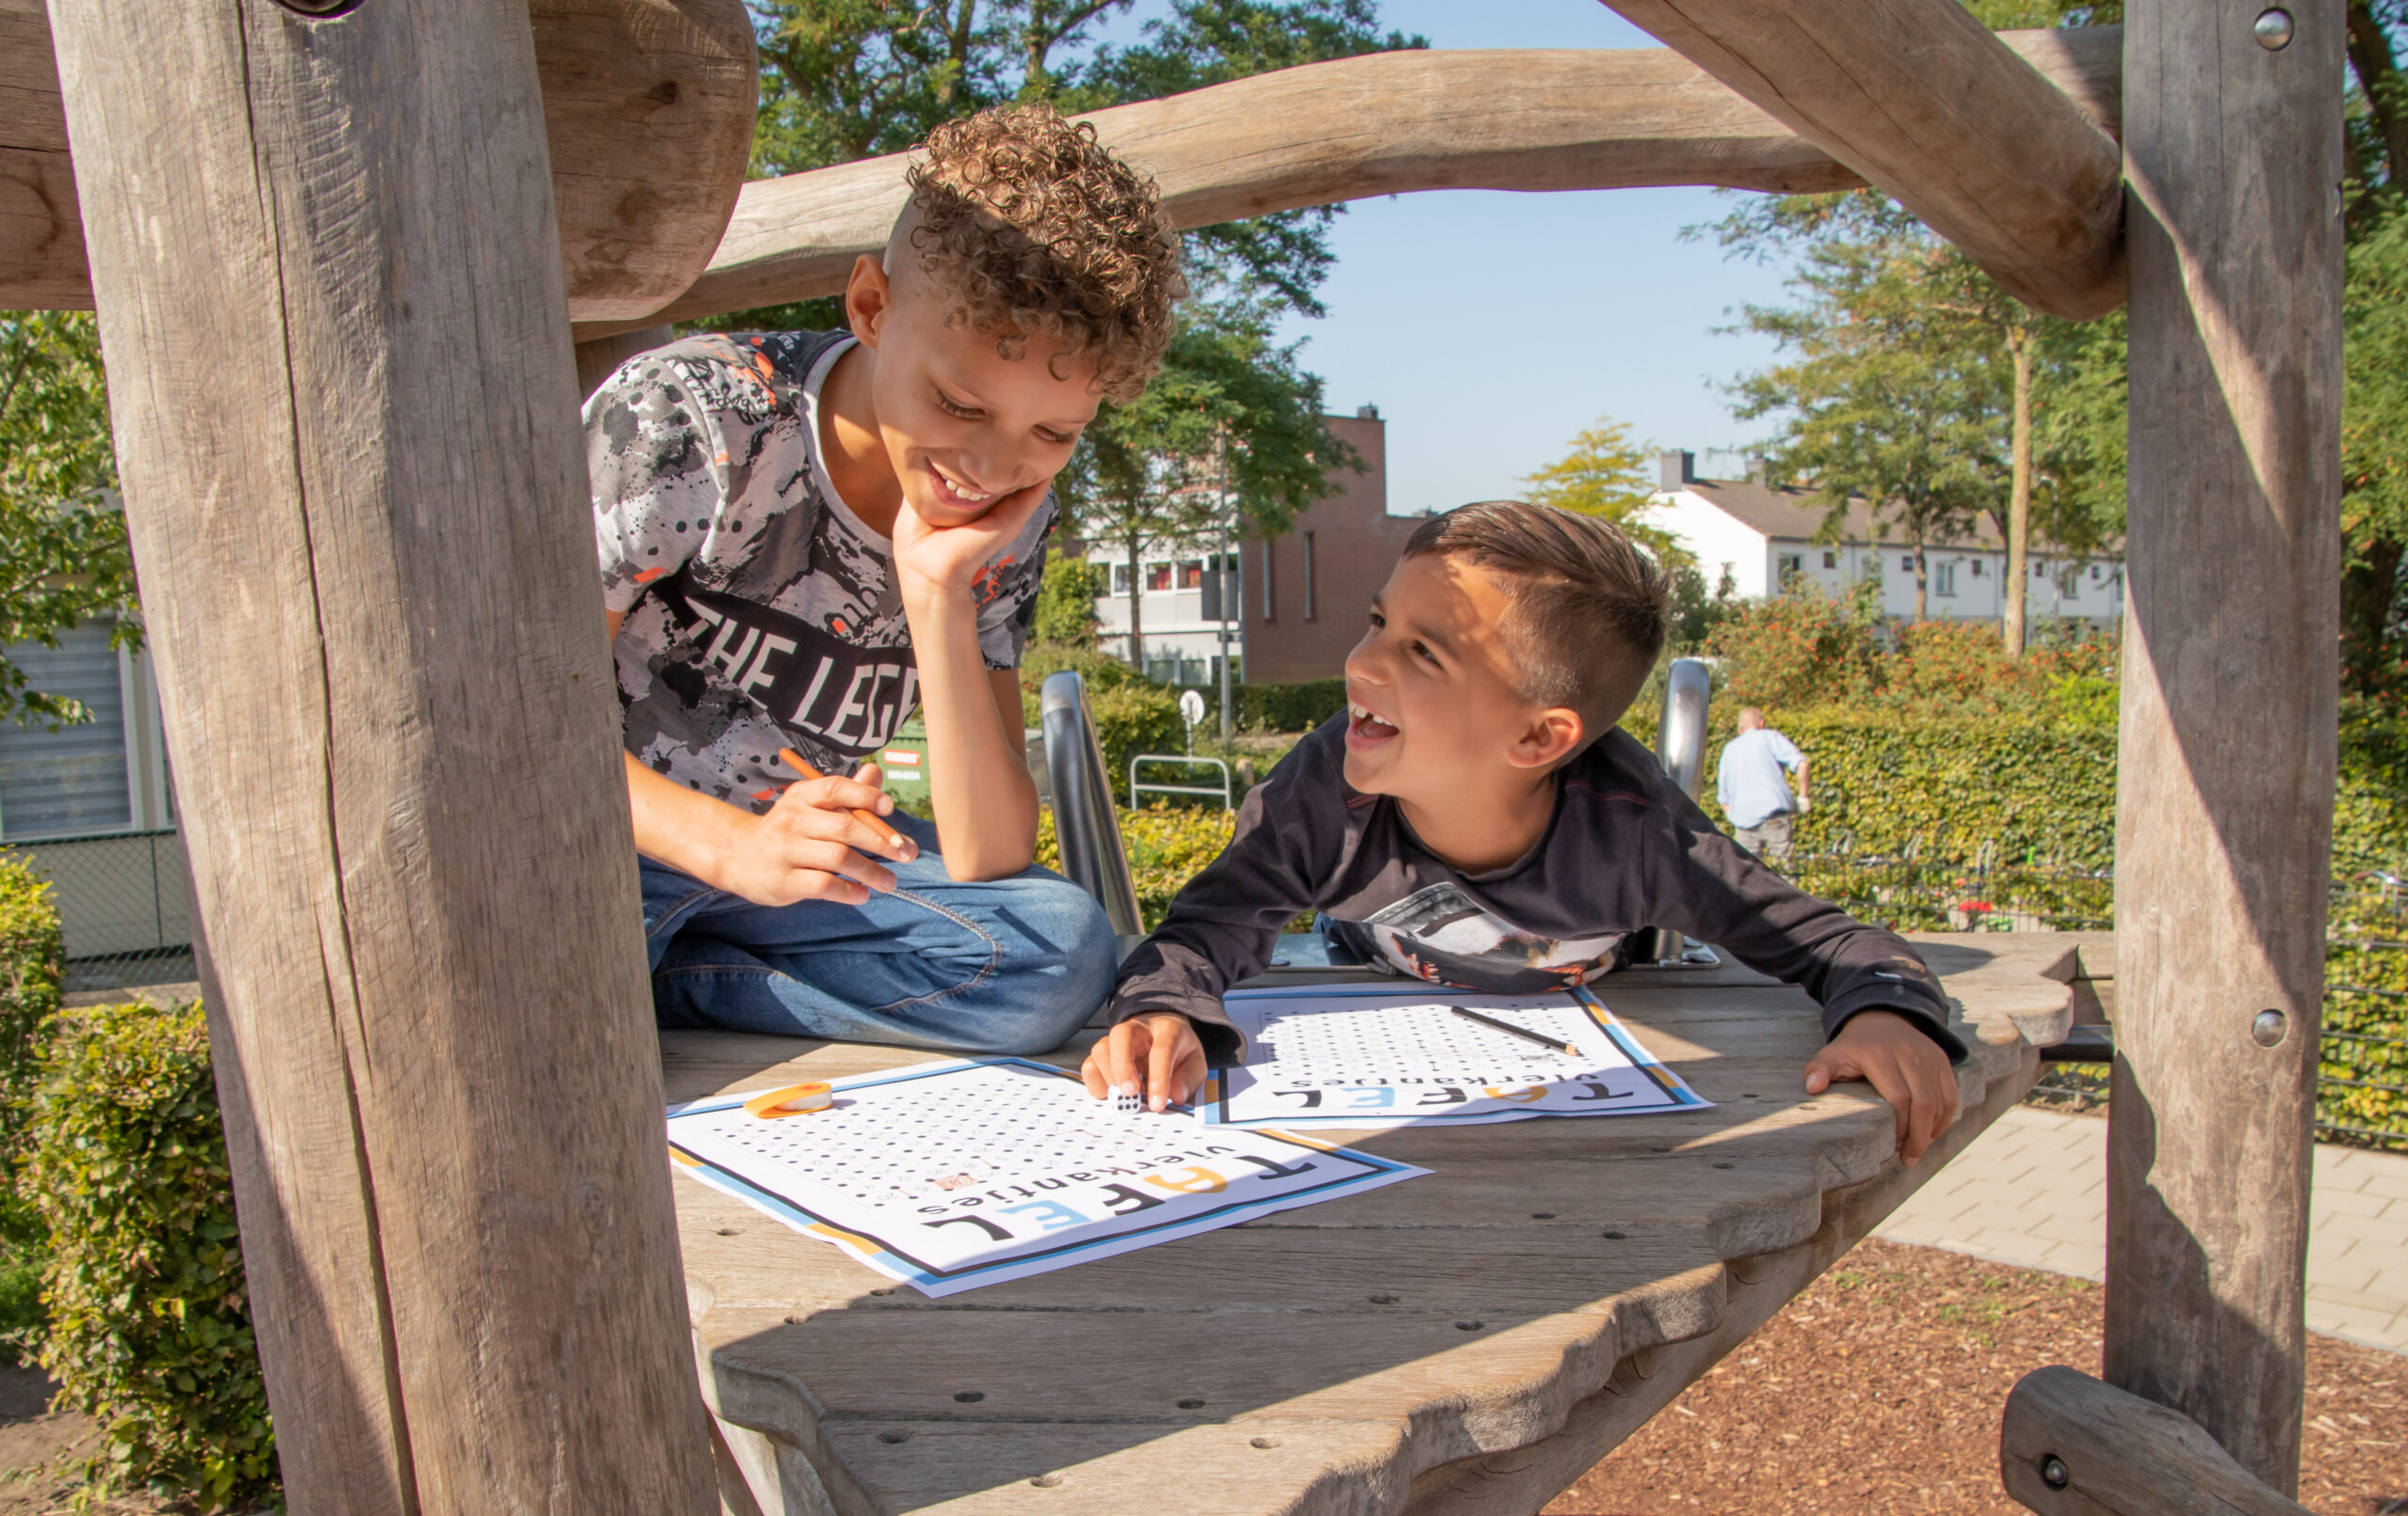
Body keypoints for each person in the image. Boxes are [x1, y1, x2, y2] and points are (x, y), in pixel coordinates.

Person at [1080, 502, 1965, 1161]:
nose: (1359, 663)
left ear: (1541, 737)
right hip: (1371, 1023)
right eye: (1380, 621)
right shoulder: (1322, 789)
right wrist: (1161, 1005)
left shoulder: (1635, 834)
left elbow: (1836, 942)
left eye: (1424, 652)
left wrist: (1888, 1011)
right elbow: (1208, 925)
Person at [587, 104, 1185, 1052]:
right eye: (957, 403)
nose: (989, 467)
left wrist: (936, 590)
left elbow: (991, 849)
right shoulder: (697, 421)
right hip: (604, 849)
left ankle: (671, 982)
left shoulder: (1009, 518)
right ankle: (634, 971)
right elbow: (517, 714)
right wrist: (731, 847)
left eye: (1051, 434)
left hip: (795, 882)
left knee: (1058, 951)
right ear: (870, 308)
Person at [1716, 706, 1810, 862]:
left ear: (1740, 729)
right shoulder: (1769, 738)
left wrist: (1736, 817)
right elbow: (1803, 765)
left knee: (1747, 878)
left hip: (1743, 824)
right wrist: (1803, 797)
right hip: (1774, 818)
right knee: (1783, 874)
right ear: (1762, 723)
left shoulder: (1729, 749)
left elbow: (1723, 799)